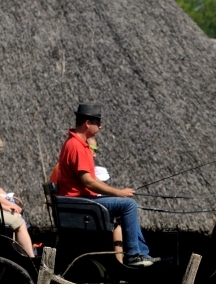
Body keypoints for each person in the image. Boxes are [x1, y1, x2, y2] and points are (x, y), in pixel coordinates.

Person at [55, 103, 157, 267]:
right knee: (128, 204)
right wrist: (118, 192)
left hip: (80, 200)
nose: (100, 127)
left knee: (126, 204)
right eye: (98, 122)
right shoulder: (76, 146)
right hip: (80, 202)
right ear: (87, 123)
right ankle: (134, 255)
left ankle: (141, 253)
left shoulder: (76, 143)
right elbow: (88, 181)